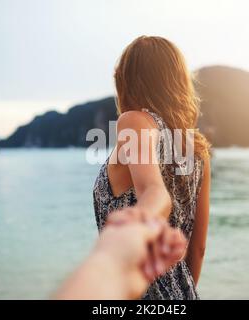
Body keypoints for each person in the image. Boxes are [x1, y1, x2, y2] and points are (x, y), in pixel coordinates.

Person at [93, 36, 211, 299]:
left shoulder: (134, 121)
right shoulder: (197, 149)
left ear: (126, 81)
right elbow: (198, 248)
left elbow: (153, 191)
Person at [54, 217, 186, 300]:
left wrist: (111, 262)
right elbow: (199, 249)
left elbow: (154, 189)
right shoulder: (201, 170)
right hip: (183, 287)